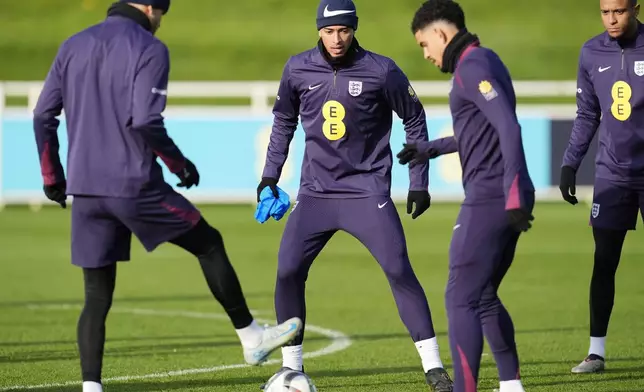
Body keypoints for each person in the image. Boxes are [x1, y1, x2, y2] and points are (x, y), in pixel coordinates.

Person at [32, 1, 301, 391]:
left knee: (96, 295)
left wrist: (52, 176)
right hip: (133, 184)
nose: (160, 21)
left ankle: (91, 387)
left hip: (85, 189)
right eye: (162, 12)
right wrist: (179, 165)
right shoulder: (149, 47)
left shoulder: (73, 44)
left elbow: (42, 115)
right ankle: (251, 336)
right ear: (149, 7)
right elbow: (144, 120)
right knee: (208, 244)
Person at [257, 0, 453, 390]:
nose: (336, 39)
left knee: (398, 269)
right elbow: (282, 123)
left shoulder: (382, 70)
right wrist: (269, 177)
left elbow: (414, 117)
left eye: (343, 30)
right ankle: (292, 367)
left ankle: (433, 367)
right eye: (328, 31)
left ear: (354, 28)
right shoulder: (297, 68)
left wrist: (419, 182)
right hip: (316, 193)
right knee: (287, 270)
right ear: (318, 30)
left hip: (366, 192)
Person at [401, 1, 536, 391]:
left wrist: (512, 195)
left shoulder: (472, 67)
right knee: (483, 295)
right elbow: (480, 132)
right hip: (502, 194)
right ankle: (511, 385)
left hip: (491, 197)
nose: (426, 55)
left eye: (425, 45)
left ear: (441, 34)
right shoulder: (486, 60)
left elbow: (508, 127)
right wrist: (431, 148)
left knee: (460, 297)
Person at [559, 0, 643, 374]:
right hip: (612, 173)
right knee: (604, 261)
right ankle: (596, 352)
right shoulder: (591, 51)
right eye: (605, 12)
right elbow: (587, 114)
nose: (612, 19)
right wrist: (569, 163)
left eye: (619, 12)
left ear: (636, 9)